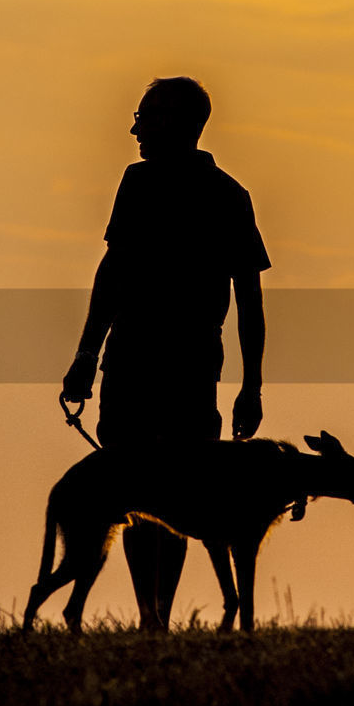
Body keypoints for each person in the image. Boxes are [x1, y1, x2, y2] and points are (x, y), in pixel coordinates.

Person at [60, 76, 271, 631]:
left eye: (146, 116)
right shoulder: (137, 183)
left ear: (178, 121)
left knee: (178, 494)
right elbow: (113, 272)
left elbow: (249, 299)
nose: (135, 127)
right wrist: (86, 353)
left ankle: (158, 615)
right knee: (135, 489)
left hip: (191, 362)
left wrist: (253, 385)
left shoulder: (229, 197)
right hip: (129, 357)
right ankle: (151, 619)